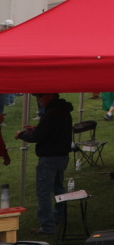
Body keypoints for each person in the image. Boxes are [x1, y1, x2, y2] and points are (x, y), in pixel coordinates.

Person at [24, 98, 73, 235]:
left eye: (40, 97)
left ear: (49, 96)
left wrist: (21, 135)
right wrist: (37, 128)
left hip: (50, 157)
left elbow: (38, 136)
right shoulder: (63, 111)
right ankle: (59, 216)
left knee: (43, 192)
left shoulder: (52, 113)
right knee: (58, 188)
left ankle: (47, 226)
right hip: (61, 156)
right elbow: (51, 131)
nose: (39, 100)